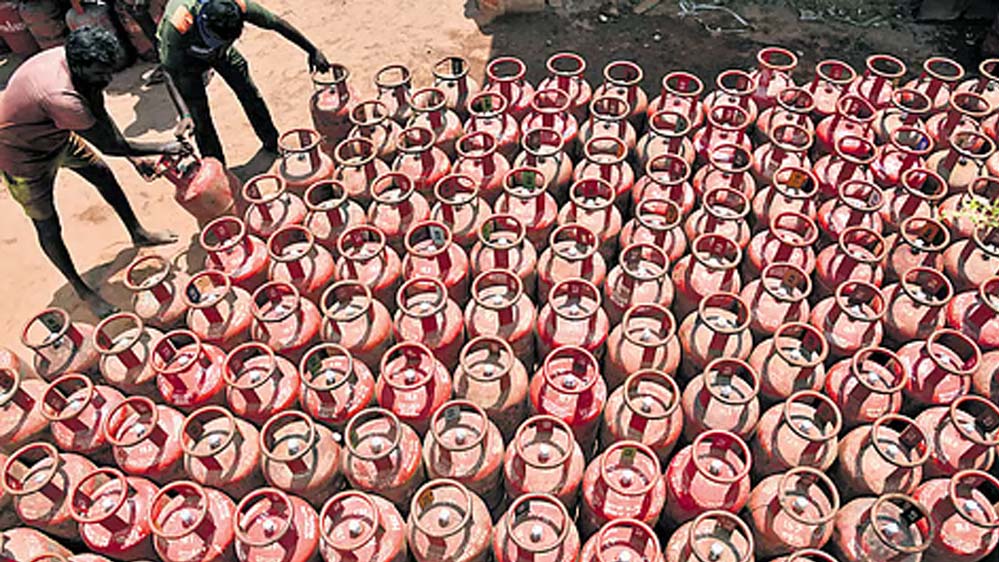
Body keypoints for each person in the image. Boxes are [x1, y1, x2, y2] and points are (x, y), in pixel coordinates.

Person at [0, 26, 183, 318]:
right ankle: (82, 291)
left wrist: (134, 158)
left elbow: (99, 114)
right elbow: (109, 144)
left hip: (55, 134)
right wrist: (163, 146)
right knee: (48, 225)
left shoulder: (74, 62)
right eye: (101, 74)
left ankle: (138, 233)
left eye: (109, 71)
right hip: (22, 157)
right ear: (81, 68)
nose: (108, 79)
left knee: (102, 175)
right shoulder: (63, 97)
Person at [157, 0, 331, 165]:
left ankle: (272, 143)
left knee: (249, 92)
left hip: (222, 54)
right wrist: (185, 115)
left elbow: (276, 23)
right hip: (186, 64)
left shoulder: (236, 7)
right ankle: (218, 170)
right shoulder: (179, 25)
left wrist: (312, 51)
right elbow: (168, 71)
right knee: (200, 119)